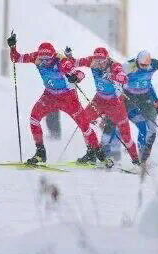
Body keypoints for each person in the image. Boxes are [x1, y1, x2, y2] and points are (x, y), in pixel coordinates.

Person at [6, 33, 101, 165]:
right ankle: (40, 153)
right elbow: (16, 58)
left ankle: (94, 152)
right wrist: (12, 46)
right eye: (41, 59)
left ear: (53, 56)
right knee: (34, 118)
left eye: (47, 59)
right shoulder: (36, 57)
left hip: (68, 98)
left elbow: (80, 73)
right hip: (49, 95)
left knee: (84, 124)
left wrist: (76, 78)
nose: (44, 62)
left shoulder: (62, 62)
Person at [64, 46, 141, 166]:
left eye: (102, 61)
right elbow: (75, 62)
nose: (99, 63)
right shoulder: (92, 61)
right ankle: (91, 154)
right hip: (99, 100)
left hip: (115, 103)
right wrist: (68, 56)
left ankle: (136, 161)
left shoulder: (114, 66)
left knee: (126, 136)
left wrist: (113, 76)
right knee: (83, 120)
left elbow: (124, 78)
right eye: (97, 60)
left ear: (107, 58)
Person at [103, 49, 158, 163]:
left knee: (152, 128)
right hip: (128, 96)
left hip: (145, 97)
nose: (144, 67)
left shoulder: (153, 63)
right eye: (142, 65)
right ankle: (105, 153)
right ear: (137, 61)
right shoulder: (129, 66)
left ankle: (143, 159)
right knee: (113, 122)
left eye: (146, 65)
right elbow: (114, 77)